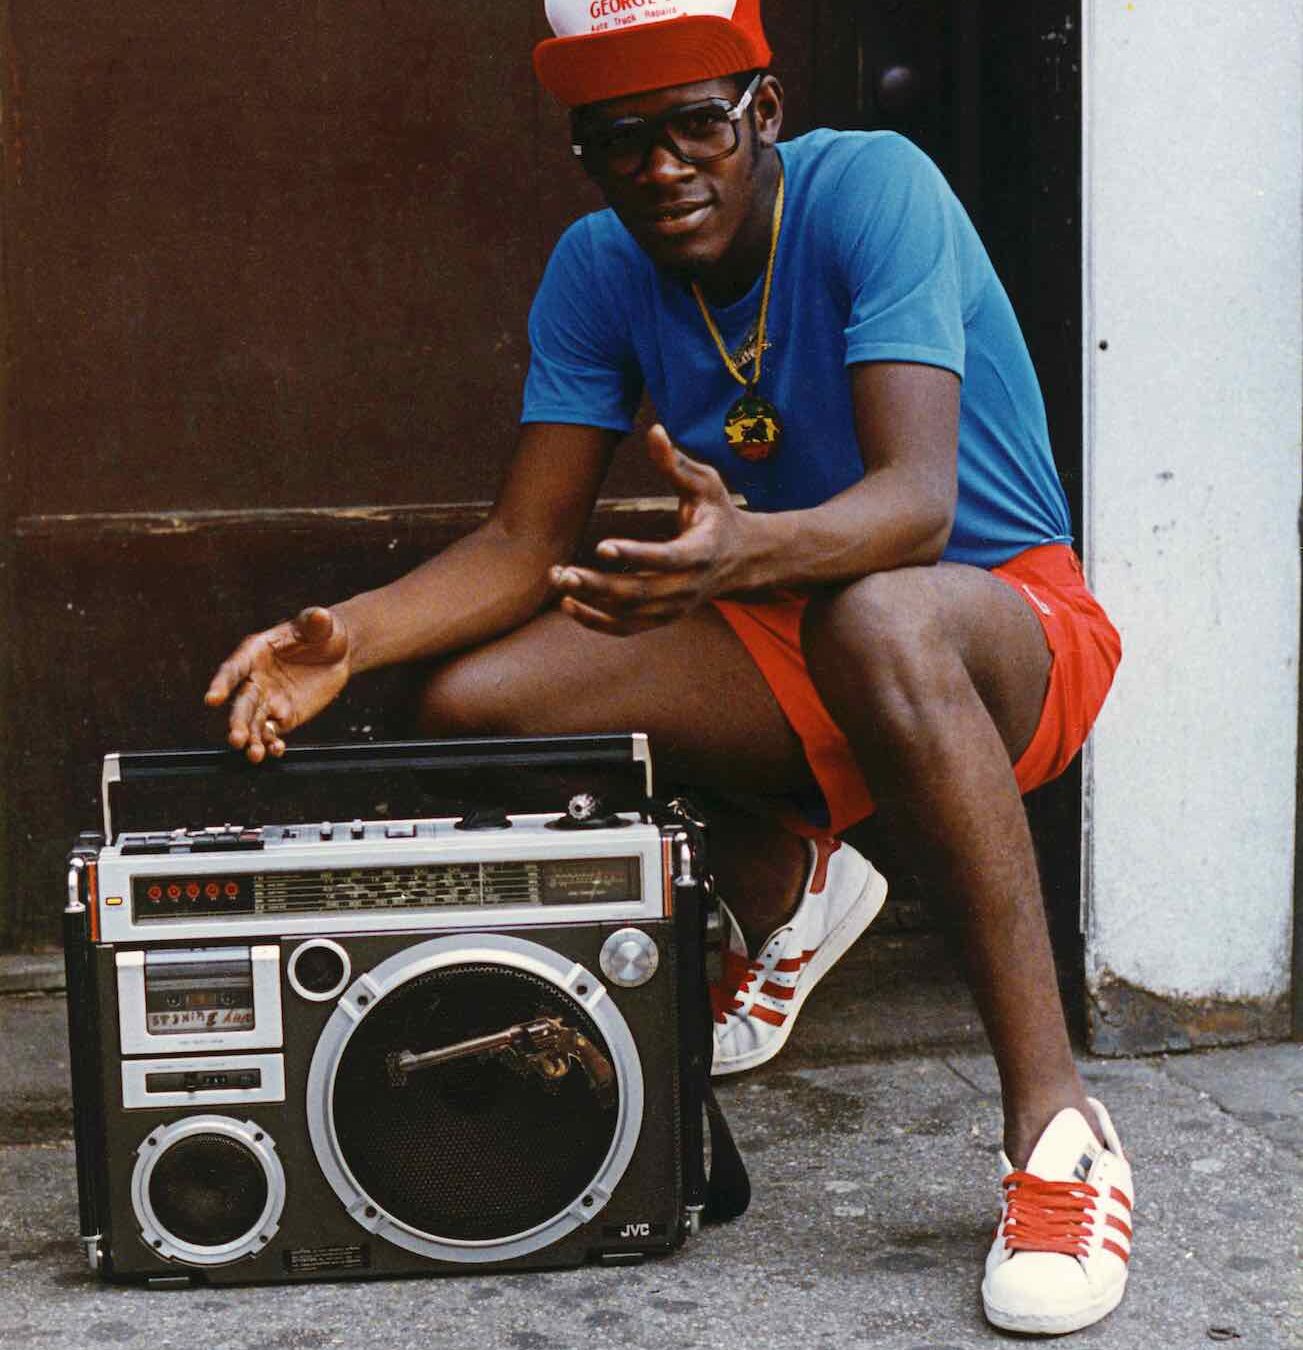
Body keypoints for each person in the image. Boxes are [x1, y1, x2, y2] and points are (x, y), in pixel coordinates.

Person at [204, 0, 1132, 1334]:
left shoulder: (876, 188)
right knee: (478, 698)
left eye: (695, 124)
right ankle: (781, 880)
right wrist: (347, 639)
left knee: (877, 618)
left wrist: (747, 552)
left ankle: (1059, 1132)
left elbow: (917, 507)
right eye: (619, 141)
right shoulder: (597, 264)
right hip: (786, 614)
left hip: (999, 629)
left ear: (762, 112)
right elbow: (526, 544)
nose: (662, 167)